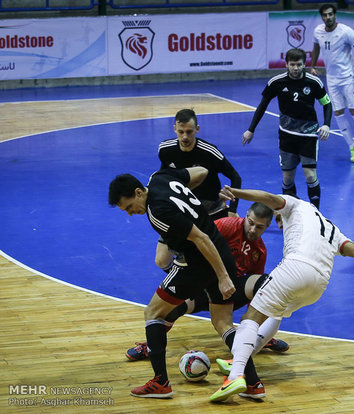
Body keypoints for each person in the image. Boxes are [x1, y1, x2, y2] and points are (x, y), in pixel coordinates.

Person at [209, 186, 354, 402]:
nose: (276, 219)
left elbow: (268, 198)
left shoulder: (295, 205)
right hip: (318, 285)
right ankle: (243, 358)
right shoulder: (332, 228)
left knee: (251, 318)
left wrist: (235, 193)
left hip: (296, 268)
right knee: (276, 312)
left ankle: (237, 375)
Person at [109, 167, 238, 398]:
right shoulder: (160, 178)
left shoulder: (156, 211)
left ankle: (160, 382)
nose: (131, 214)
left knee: (153, 313)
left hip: (199, 263)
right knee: (222, 322)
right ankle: (249, 380)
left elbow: (200, 238)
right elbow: (201, 171)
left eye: (129, 207)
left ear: (138, 193)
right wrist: (186, 200)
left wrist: (223, 276)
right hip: (221, 250)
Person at [125, 203, 290, 372]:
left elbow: (258, 296)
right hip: (203, 282)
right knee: (173, 309)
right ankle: (150, 345)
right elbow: (197, 242)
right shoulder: (227, 226)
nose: (253, 229)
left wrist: (257, 327)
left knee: (263, 283)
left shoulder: (259, 251)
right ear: (245, 216)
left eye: (260, 227)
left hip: (228, 291)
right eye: (251, 222)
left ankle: (261, 337)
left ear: (267, 227)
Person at [242, 48, 332, 209]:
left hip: (308, 135)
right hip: (287, 136)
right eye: (292, 64)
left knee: (310, 176)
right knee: (288, 178)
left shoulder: (314, 82)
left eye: (299, 64)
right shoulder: (276, 82)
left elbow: (327, 104)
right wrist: (251, 129)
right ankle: (292, 213)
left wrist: (326, 124)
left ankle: (316, 214)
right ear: (286, 64)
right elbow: (262, 106)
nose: (296, 68)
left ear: (305, 64)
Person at [156, 108, 242, 272]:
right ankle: (181, 278)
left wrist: (232, 210)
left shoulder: (209, 152)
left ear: (197, 129)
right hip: (181, 212)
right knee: (161, 260)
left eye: (189, 131)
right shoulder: (165, 150)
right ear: (174, 129)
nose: (185, 137)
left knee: (219, 258)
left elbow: (235, 177)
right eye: (181, 132)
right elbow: (164, 176)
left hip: (211, 211)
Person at [311, 3, 354, 163]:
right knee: (337, 112)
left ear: (335, 15)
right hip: (332, 79)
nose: (328, 17)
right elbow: (316, 47)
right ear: (322, 17)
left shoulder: (346, 31)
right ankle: (353, 147)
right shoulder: (318, 31)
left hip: (348, 78)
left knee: (353, 110)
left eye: (330, 14)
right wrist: (312, 65)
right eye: (325, 15)